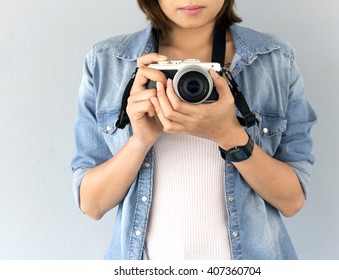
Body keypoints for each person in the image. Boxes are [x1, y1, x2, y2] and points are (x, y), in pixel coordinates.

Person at [71, 0, 316, 260]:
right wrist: (140, 141)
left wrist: (229, 136)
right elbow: (92, 205)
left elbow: (292, 201)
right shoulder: (107, 62)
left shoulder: (273, 59)